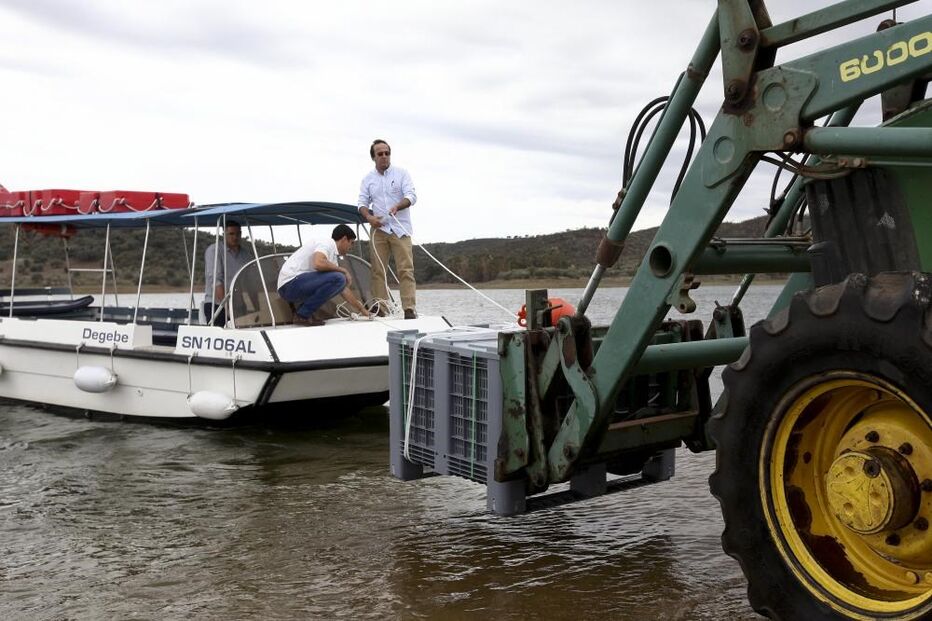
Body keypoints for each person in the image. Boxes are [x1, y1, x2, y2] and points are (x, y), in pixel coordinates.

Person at [357, 138, 419, 319]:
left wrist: (398, 206)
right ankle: (381, 308)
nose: (384, 157)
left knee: (405, 269)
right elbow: (361, 202)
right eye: (380, 154)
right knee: (377, 270)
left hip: (400, 228)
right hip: (379, 230)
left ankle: (409, 308)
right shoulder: (367, 179)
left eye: (387, 153)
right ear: (373, 157)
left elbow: (412, 196)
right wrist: (369, 217)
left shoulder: (402, 174)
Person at [277, 224, 372, 326]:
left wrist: (363, 311)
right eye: (351, 243)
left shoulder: (332, 259)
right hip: (289, 285)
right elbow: (318, 263)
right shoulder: (326, 243)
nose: (351, 247)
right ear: (344, 239)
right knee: (339, 277)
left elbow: (343, 289)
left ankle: (304, 313)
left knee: (340, 279)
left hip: (295, 286)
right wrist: (343, 270)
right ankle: (302, 314)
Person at [203, 221, 252, 326]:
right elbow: (216, 281)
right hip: (217, 306)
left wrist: (256, 306)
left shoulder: (246, 255)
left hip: (239, 305)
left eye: (238, 234)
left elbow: (251, 281)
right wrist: (227, 308)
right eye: (231, 234)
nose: (235, 237)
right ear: (223, 234)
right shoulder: (214, 250)